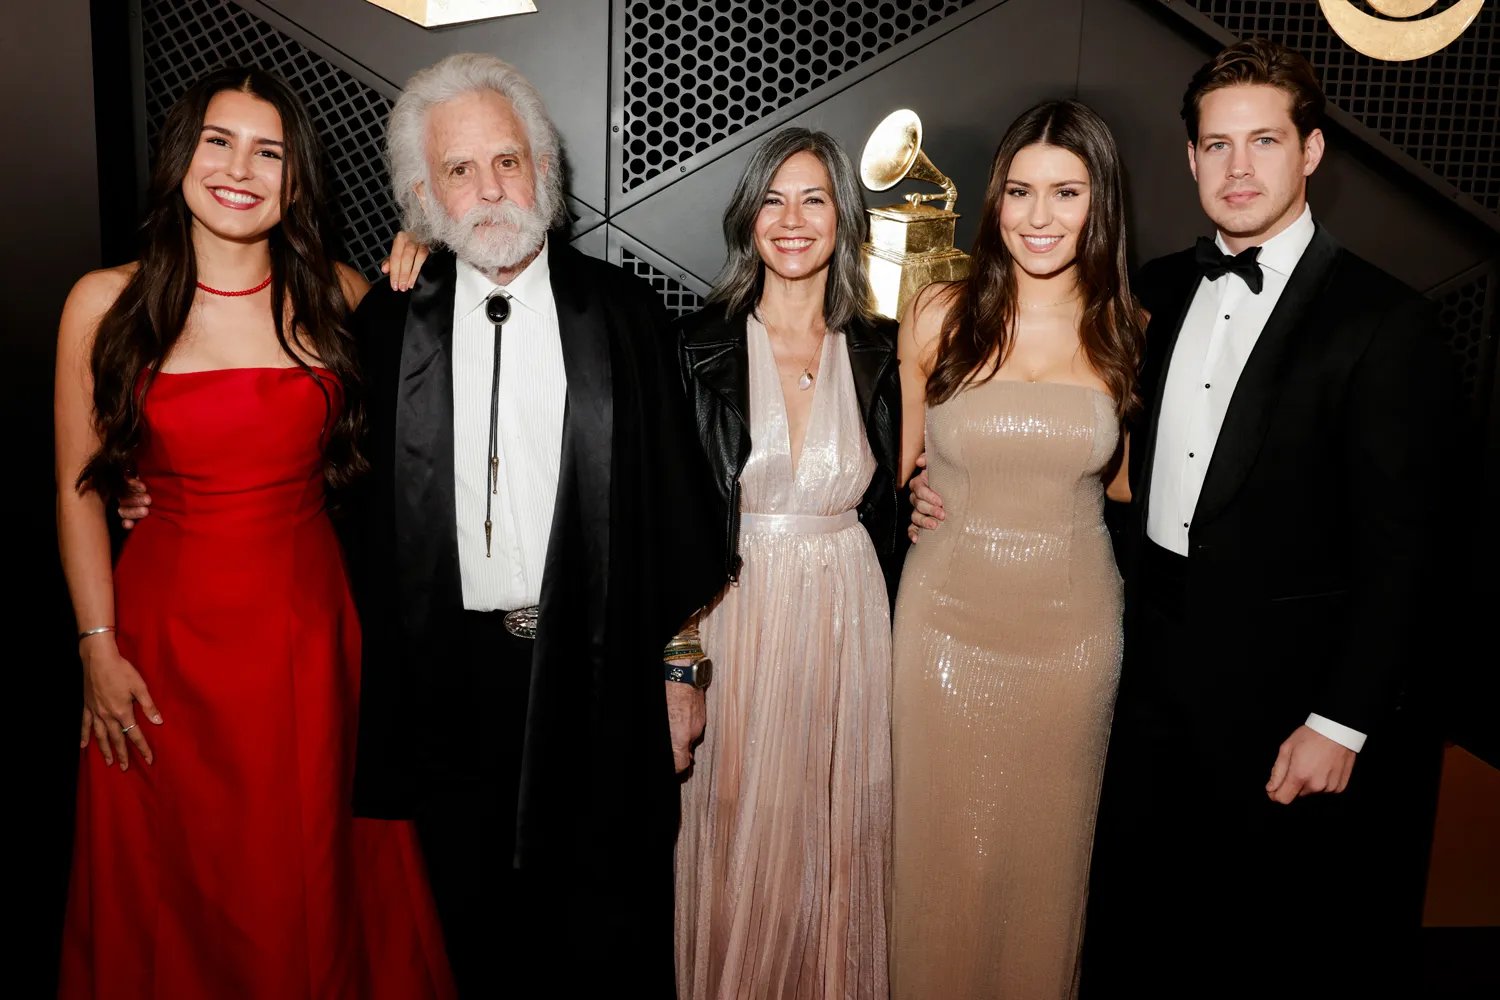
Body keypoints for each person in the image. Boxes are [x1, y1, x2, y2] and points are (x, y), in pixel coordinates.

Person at [54, 67, 454, 998]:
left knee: (303, 873)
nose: (240, 169)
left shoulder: (344, 297)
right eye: (218, 142)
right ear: (181, 158)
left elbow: (437, 435)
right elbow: (76, 492)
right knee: (173, 875)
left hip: (308, 637)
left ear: (297, 177)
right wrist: (96, 646)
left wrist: (429, 261)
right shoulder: (103, 303)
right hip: (159, 641)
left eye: (268, 151)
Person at [1072, 39, 1459, 996]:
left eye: (1264, 141)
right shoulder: (1155, 289)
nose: (1237, 167)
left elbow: (1405, 551)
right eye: (1217, 145)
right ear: (1191, 157)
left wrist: (1342, 720)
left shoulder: (1383, 321)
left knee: (1262, 946)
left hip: (1284, 694)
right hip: (1142, 665)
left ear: (1311, 151)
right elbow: (1090, 452)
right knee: (1134, 927)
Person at [341, 53, 723, 997]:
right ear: (423, 197)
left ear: (543, 169)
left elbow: (676, 511)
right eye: (458, 170)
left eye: (506, 161)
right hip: (451, 683)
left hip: (599, 675)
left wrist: (678, 671)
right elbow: (331, 497)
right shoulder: (389, 327)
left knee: (608, 941)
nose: (488, 189)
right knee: (475, 944)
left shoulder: (624, 313)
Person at [889, 99, 1142, 998]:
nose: (1040, 216)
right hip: (943, 625)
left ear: (1099, 202)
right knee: (936, 858)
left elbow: (1129, 490)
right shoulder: (936, 314)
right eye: (1020, 192)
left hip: (1073, 635)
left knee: (1048, 860)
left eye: (1066, 193)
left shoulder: (1130, 330)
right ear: (995, 201)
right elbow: (896, 467)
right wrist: (912, 497)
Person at [673, 127, 903, 1000]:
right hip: (735, 614)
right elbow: (667, 518)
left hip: (849, 619)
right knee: (737, 822)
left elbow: (920, 474)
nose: (792, 219)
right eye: (773, 199)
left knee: (834, 829)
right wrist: (679, 658)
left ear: (844, 218)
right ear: (748, 218)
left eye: (814, 199)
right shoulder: (693, 345)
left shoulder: (884, 350)